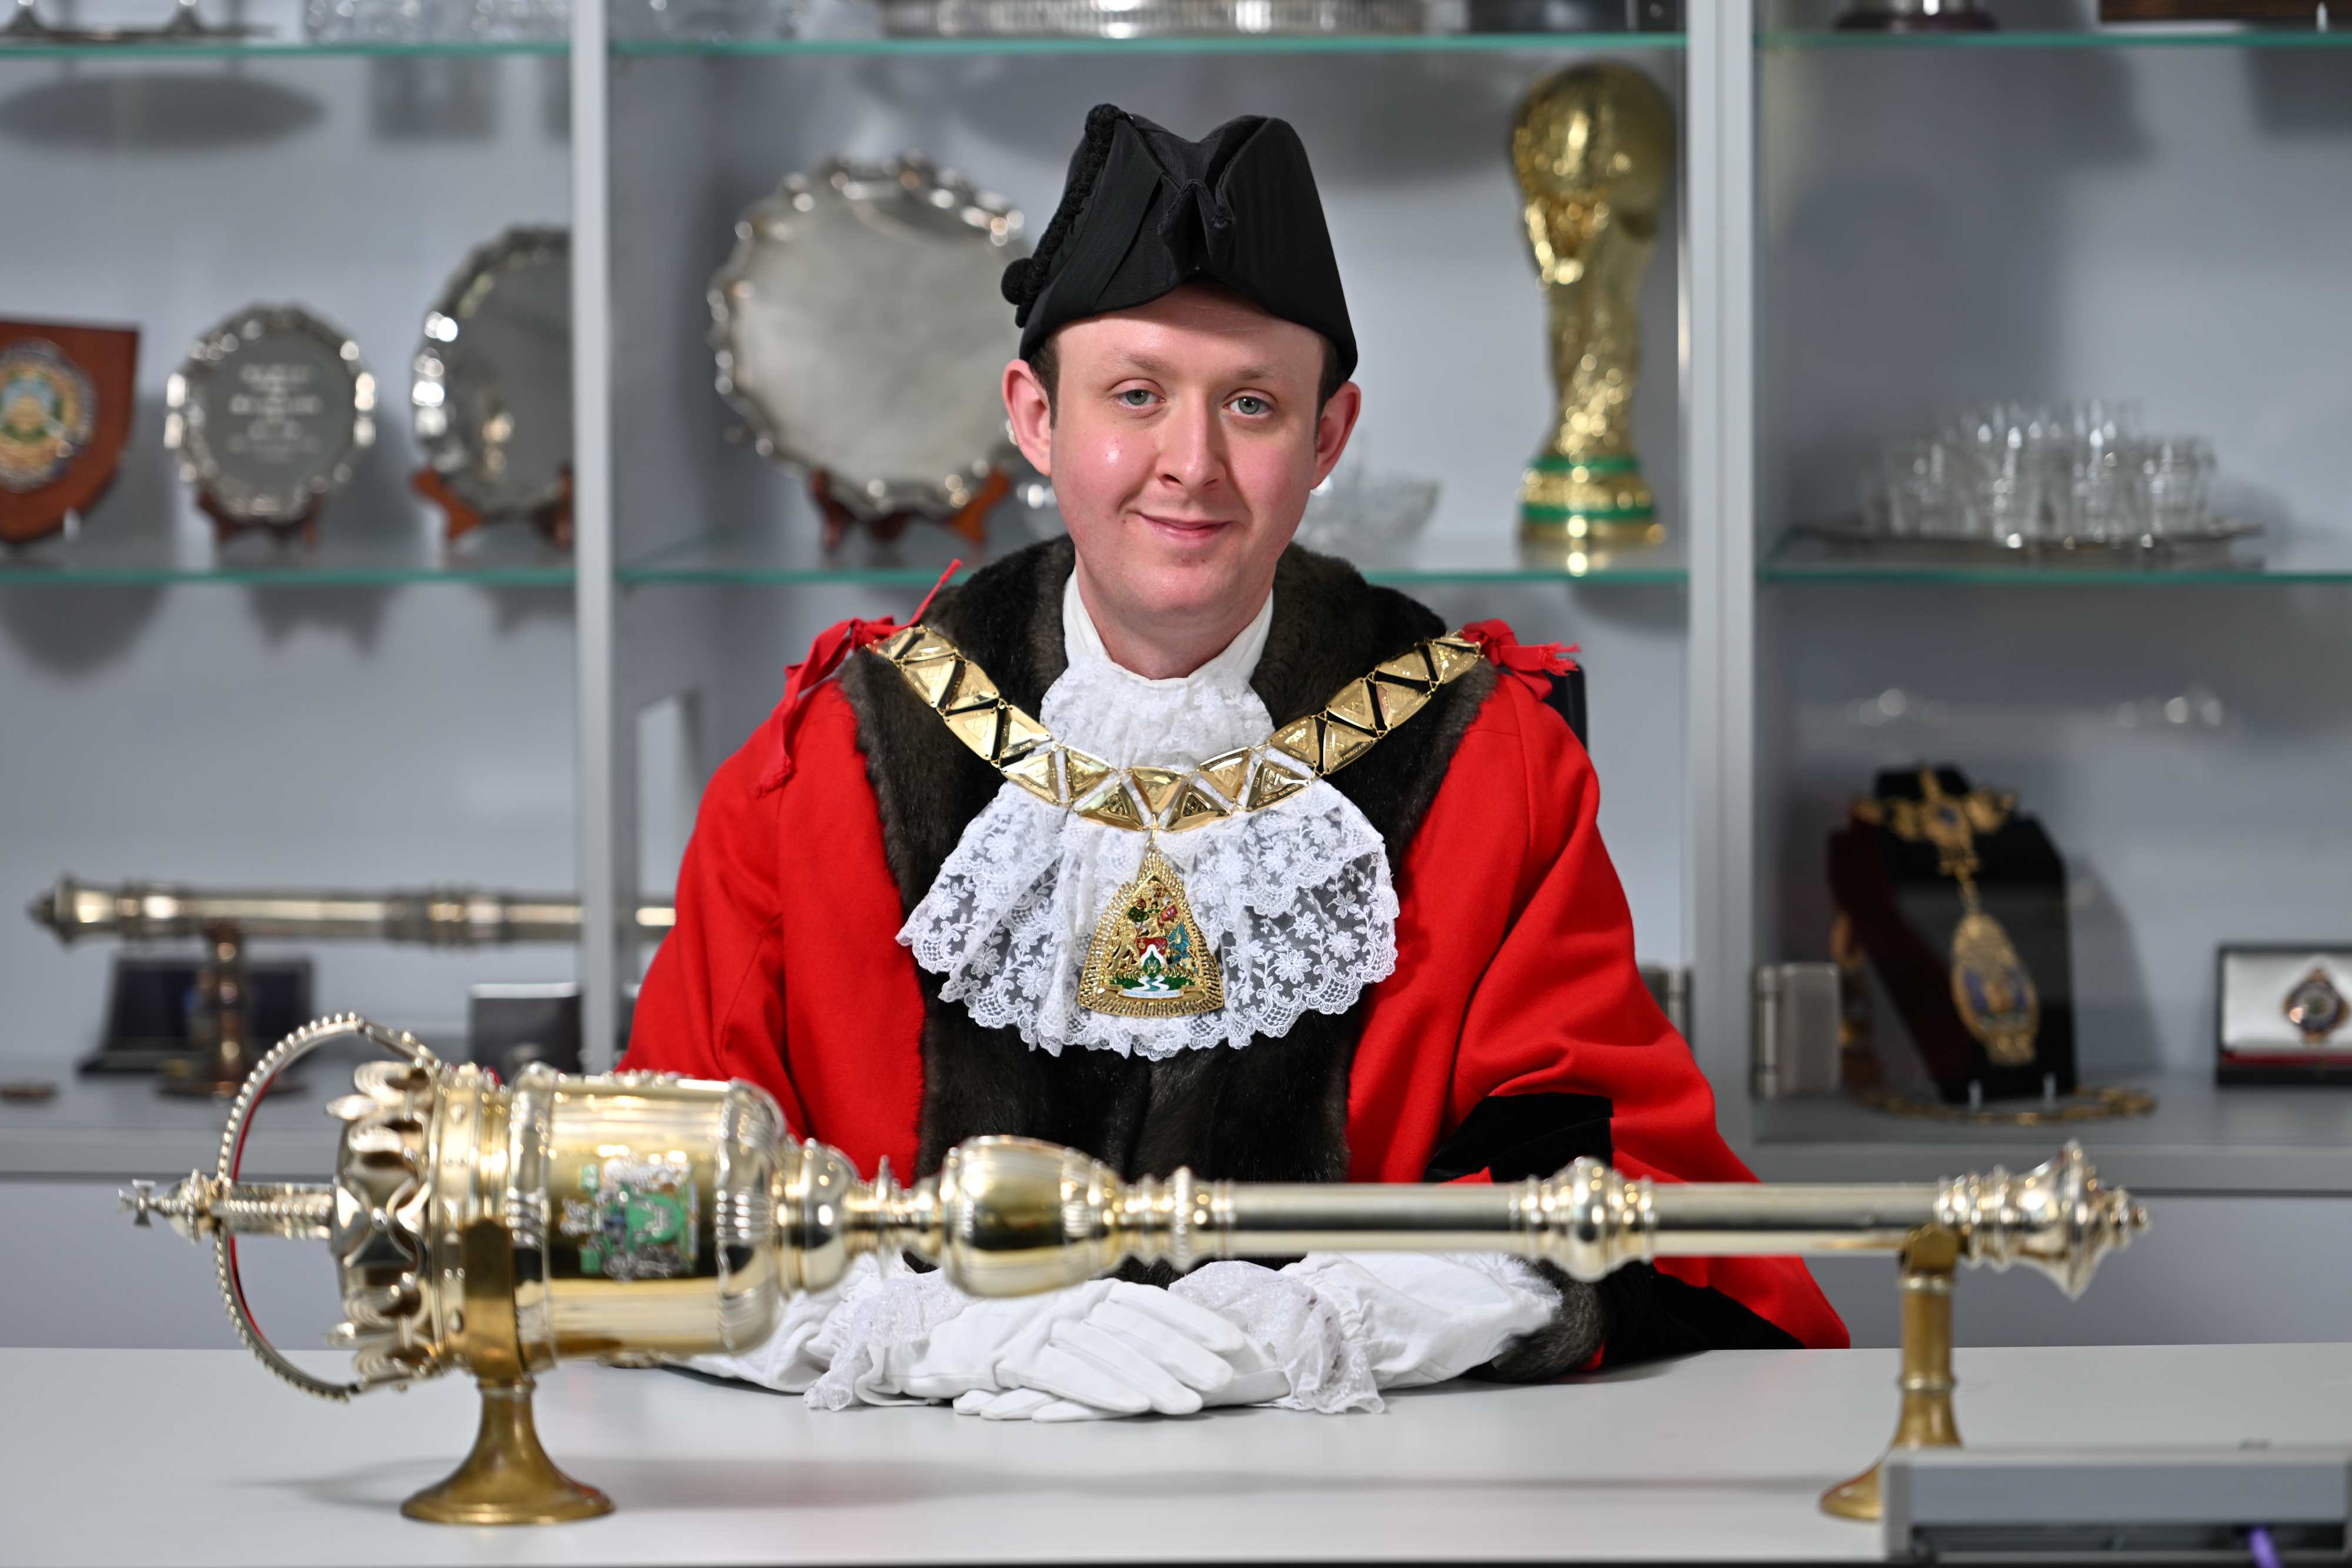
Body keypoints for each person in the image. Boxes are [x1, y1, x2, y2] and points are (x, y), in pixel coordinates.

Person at [621, 103, 1846, 1421]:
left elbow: (1625, 1191)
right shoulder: (826, 765)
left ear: (1328, 437)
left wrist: (1330, 1317)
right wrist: (930, 1334)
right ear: (1034, 417)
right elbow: (643, 1215)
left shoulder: (1485, 762)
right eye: (1134, 394)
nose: (1190, 467)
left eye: (1251, 405)